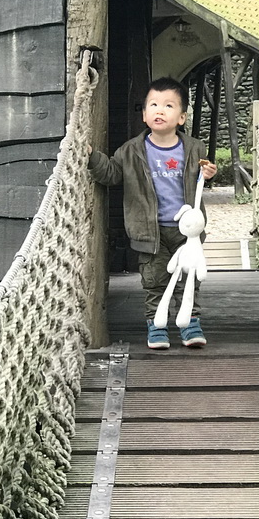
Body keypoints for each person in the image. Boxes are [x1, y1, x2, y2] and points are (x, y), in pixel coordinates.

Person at [88, 76, 217, 349]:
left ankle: (190, 324)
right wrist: (90, 156)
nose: (160, 110)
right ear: (145, 115)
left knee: (189, 280)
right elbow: (111, 174)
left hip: (186, 232)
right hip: (149, 230)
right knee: (154, 281)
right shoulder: (131, 151)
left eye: (169, 106)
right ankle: (156, 327)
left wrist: (208, 174)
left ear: (181, 117)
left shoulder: (194, 148)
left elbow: (200, 182)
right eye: (154, 105)